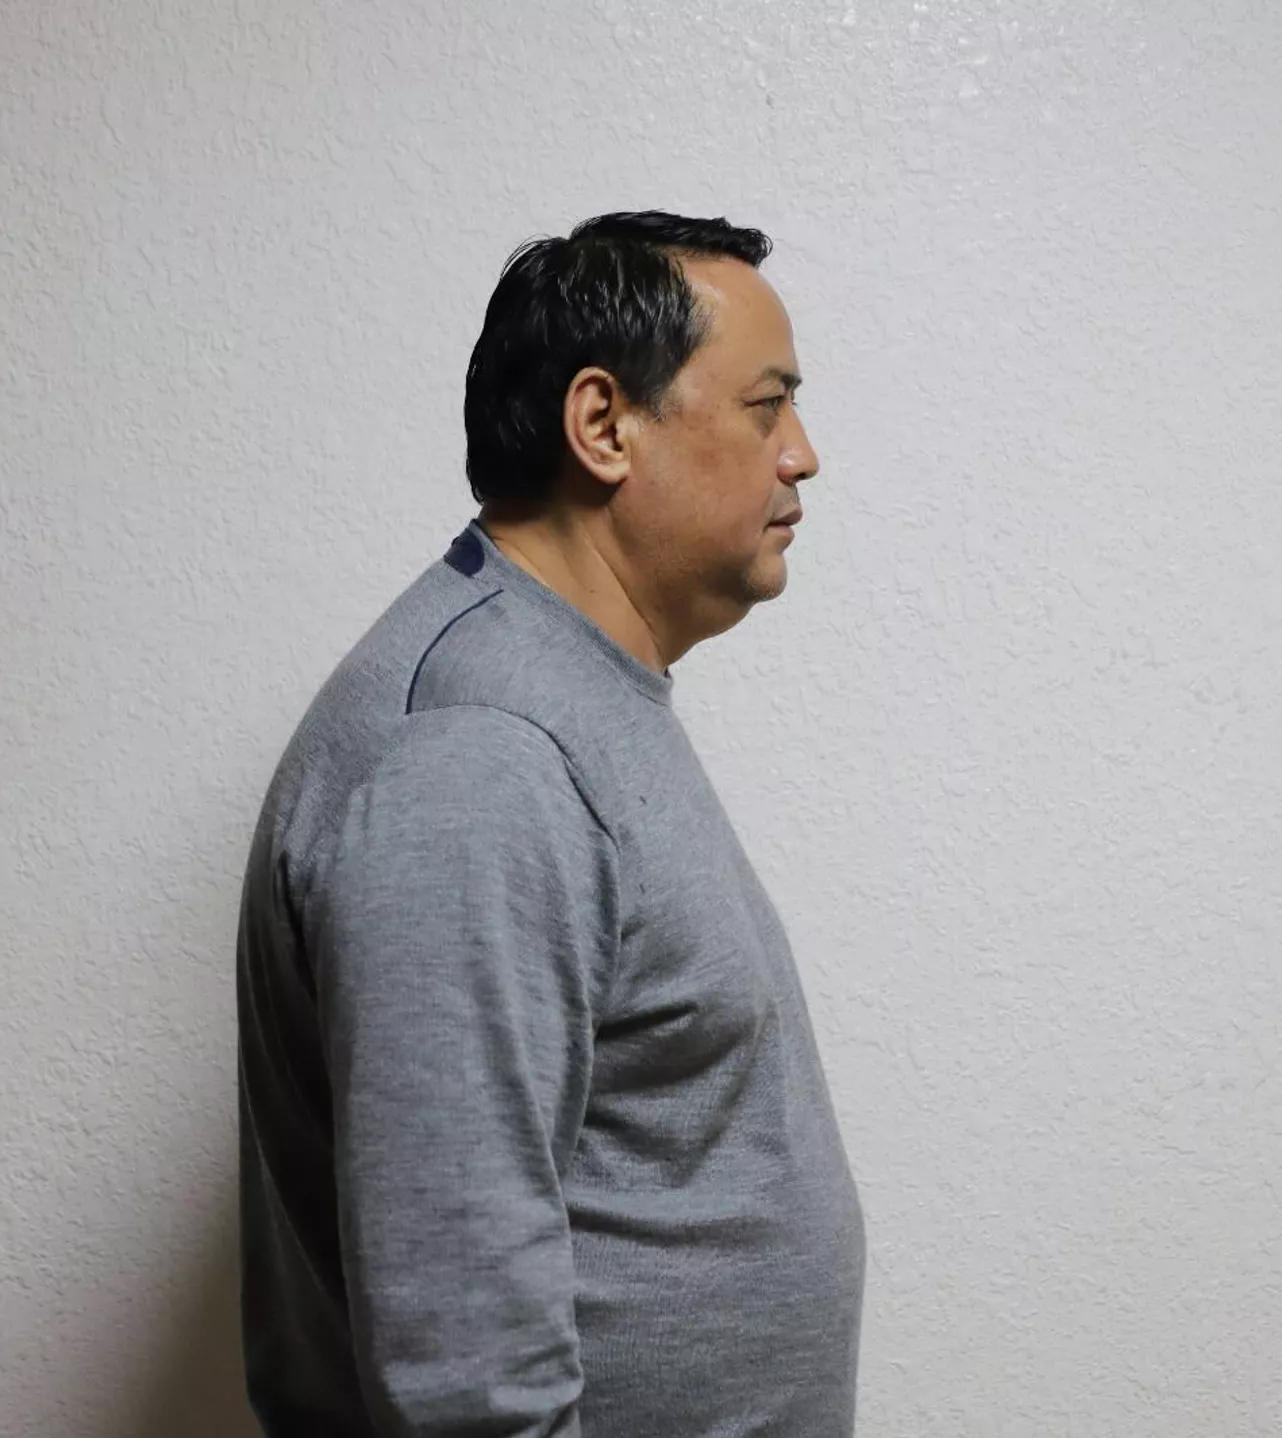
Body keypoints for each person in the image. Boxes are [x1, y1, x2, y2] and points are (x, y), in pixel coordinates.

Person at [236, 211, 865, 1436]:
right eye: (766, 406)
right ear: (603, 424)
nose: (803, 455)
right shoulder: (478, 756)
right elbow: (466, 1370)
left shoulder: (567, 688)